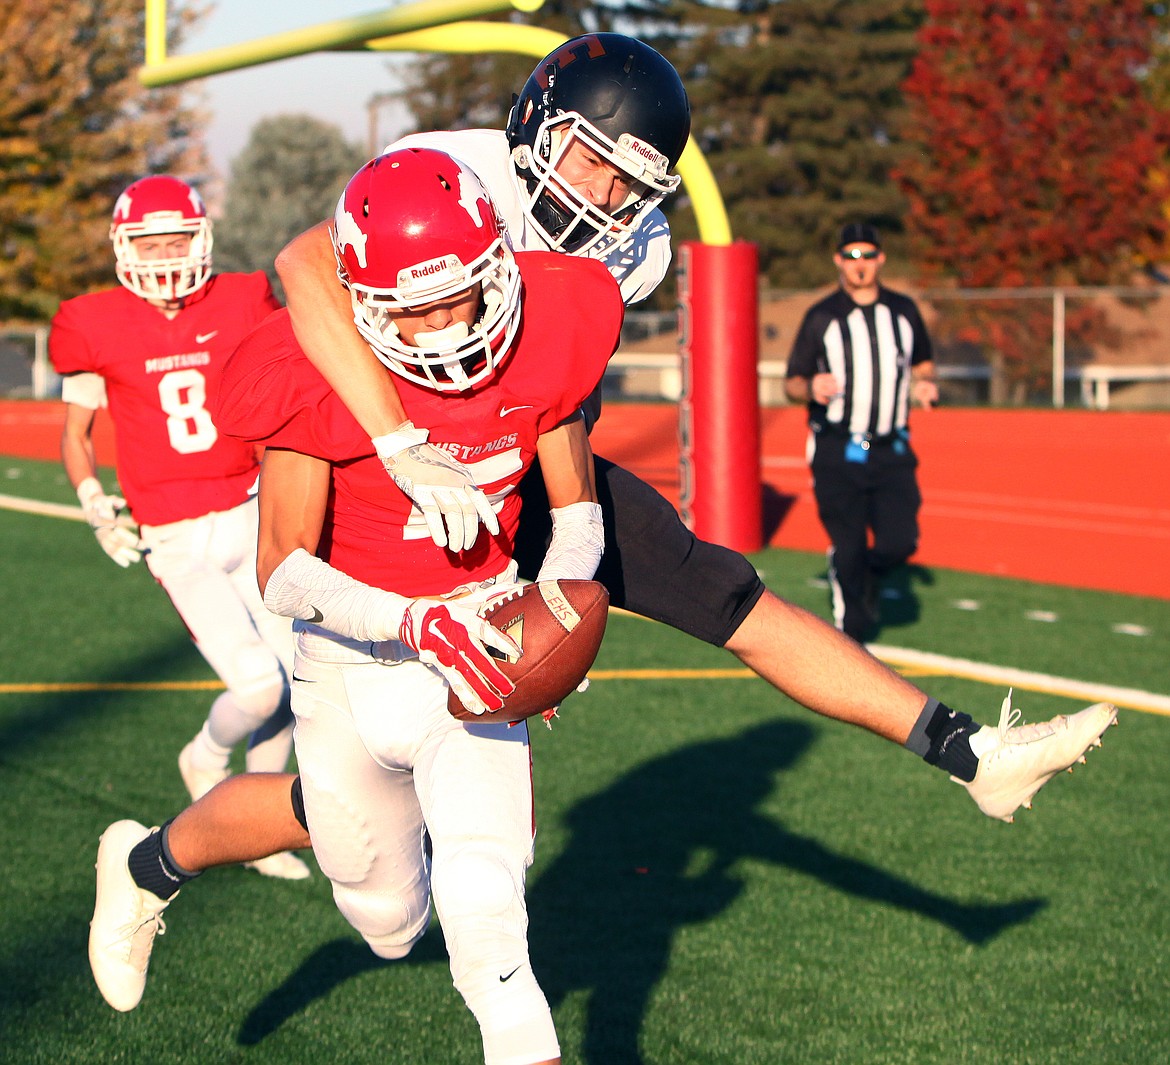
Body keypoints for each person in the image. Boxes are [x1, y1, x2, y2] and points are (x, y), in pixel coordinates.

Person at [86, 40, 1119, 1017]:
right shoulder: (452, 170)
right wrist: (399, 443)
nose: (608, 197)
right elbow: (307, 269)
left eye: (633, 180)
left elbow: (554, 411)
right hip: (371, 454)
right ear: (539, 124)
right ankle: (147, 866)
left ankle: (969, 753)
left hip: (506, 455)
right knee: (351, 816)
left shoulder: (631, 251)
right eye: (593, 161)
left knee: (723, 591)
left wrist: (560, 589)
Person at [91, 147, 620, 1065]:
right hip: (349, 662)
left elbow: (575, 509)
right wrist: (415, 621)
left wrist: (556, 603)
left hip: (478, 649)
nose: (446, 325)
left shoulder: (547, 331)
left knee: (488, 911)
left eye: (458, 294)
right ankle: (143, 864)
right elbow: (284, 572)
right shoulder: (308, 371)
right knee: (386, 916)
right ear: (361, 305)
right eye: (411, 307)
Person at [50, 175, 309, 880]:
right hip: (173, 534)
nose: (165, 256)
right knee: (258, 688)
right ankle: (203, 757)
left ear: (202, 239)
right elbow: (76, 433)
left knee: (295, 676)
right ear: (123, 247)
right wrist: (91, 499)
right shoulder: (91, 320)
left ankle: (268, 826)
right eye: (150, 242)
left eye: (176, 240)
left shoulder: (241, 297)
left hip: (251, 510)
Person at [785, 222, 940, 642]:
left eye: (867, 256)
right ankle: (852, 629)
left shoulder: (904, 312)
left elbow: (922, 361)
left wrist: (923, 382)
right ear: (838, 260)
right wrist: (810, 387)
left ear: (880, 260)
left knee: (900, 542)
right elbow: (792, 381)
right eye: (851, 256)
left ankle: (862, 574)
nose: (860, 265)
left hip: (892, 447)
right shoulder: (822, 317)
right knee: (849, 542)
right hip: (838, 445)